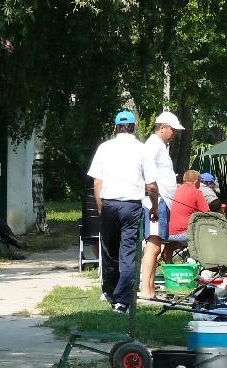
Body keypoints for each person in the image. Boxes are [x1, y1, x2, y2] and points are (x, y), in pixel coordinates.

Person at [86, 110, 156, 313]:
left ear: (116, 126)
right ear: (133, 126)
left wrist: (101, 207)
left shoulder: (104, 148)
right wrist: (155, 208)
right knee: (128, 253)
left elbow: (97, 182)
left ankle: (109, 291)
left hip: (109, 204)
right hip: (132, 206)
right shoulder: (142, 150)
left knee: (108, 251)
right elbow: (151, 186)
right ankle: (122, 301)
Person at [140, 111, 185, 299]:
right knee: (152, 247)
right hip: (155, 202)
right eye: (172, 129)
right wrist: (154, 204)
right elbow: (147, 175)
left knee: (157, 248)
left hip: (162, 201)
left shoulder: (160, 146)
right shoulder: (153, 145)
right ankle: (146, 290)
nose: (174, 133)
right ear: (162, 127)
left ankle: (150, 289)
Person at [166, 170, 207, 243]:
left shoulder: (176, 190)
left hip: (169, 234)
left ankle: (168, 255)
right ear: (196, 182)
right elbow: (207, 214)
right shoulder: (197, 192)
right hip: (186, 234)